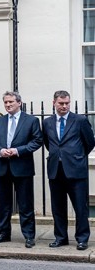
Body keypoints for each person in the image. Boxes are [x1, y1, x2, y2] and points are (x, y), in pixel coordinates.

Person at [0, 91, 42, 248]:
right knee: (4, 204)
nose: (8, 105)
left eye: (11, 102)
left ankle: (29, 236)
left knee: (25, 204)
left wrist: (18, 150)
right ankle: (3, 233)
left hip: (22, 167)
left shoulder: (31, 120)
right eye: (5, 102)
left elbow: (37, 141)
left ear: (19, 103)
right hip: (2, 167)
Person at [43, 90, 95, 251]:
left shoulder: (80, 120)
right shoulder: (47, 122)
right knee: (58, 207)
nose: (64, 106)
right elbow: (48, 143)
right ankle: (60, 237)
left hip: (76, 171)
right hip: (55, 170)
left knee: (80, 207)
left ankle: (82, 238)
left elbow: (90, 142)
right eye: (61, 103)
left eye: (66, 103)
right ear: (54, 103)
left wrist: (76, 157)